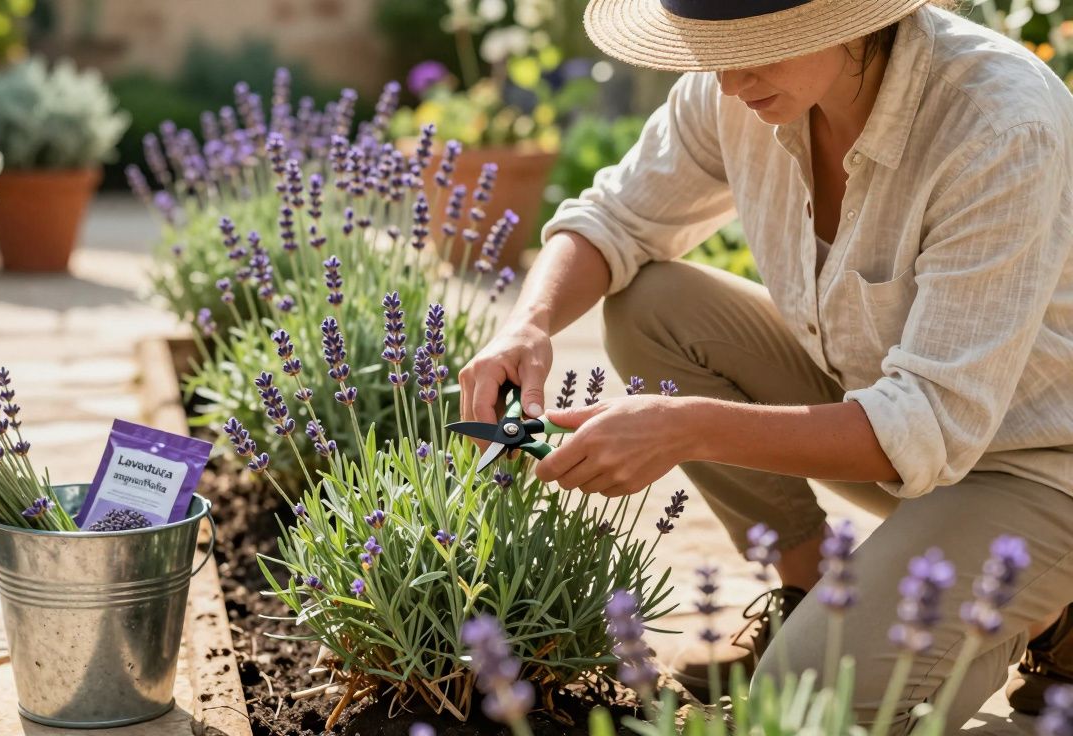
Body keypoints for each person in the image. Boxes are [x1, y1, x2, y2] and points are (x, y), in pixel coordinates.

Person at [458, 0, 1073, 731]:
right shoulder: (741, 88)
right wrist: (526, 325)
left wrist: (683, 428)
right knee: (653, 305)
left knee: (801, 708)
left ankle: (1048, 617)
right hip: (895, 428)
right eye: (711, 48)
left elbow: (933, 418)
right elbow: (615, 219)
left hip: (1037, 467)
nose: (726, 82)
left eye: (757, 47)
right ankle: (811, 590)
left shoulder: (996, 121)